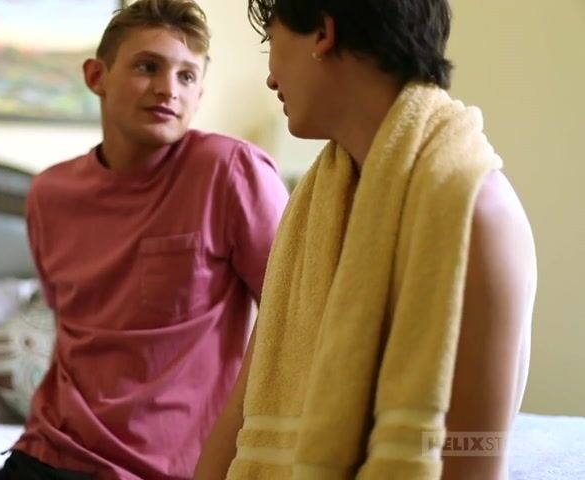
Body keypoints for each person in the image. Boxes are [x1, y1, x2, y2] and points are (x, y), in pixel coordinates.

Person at [195, 1, 536, 479]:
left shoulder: (475, 212)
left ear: (323, 33)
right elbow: (240, 415)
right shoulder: (312, 213)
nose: (270, 78)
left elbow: (474, 457)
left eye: (271, 40)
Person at [0, 1, 290, 479]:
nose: (169, 89)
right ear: (96, 76)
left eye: (187, 76)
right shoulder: (49, 194)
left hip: (164, 470)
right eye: (148, 67)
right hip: (47, 452)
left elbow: (296, 317)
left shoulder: (229, 172)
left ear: (199, 94)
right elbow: (74, 332)